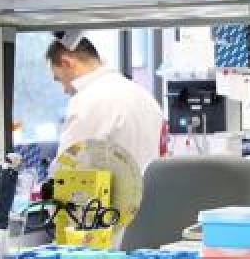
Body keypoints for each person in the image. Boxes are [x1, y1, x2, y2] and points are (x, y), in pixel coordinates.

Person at [48, 31, 166, 173]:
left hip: (112, 188)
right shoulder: (144, 96)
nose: (64, 89)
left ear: (66, 62)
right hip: (151, 187)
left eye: (59, 79)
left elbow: (66, 169)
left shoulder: (89, 101)